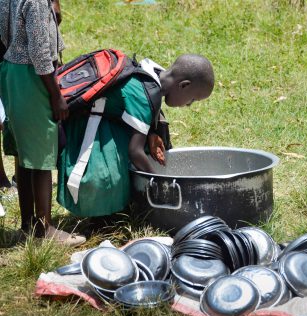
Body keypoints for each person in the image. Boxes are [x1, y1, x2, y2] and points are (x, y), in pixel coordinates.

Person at [57, 53, 214, 217]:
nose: (189, 105)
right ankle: (101, 216)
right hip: (81, 126)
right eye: (192, 100)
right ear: (184, 85)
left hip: (101, 116)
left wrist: (151, 133)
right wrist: (161, 182)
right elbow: (135, 152)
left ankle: (121, 199)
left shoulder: (152, 73)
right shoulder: (147, 95)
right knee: (106, 178)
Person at [0, 0, 86, 246]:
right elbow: (39, 53)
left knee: (24, 154)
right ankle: (45, 228)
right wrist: (56, 96)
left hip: (12, 72)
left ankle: (28, 225)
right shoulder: (36, 1)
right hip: (33, 77)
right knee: (40, 155)